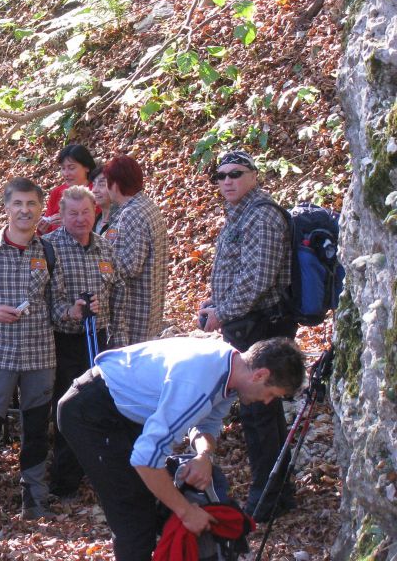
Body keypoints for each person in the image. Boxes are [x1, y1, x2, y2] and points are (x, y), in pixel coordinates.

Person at [57, 336, 305, 560]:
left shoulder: (231, 373)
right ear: (259, 375)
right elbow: (145, 458)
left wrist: (204, 455)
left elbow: (207, 423)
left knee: (151, 501)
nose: (267, 401)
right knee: (133, 514)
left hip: (123, 411)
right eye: (271, 393)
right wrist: (186, 512)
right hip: (90, 411)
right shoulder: (198, 381)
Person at [0, 178, 84, 522]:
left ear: (42, 209)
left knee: (37, 431)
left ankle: (34, 500)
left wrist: (72, 312)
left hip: (40, 356)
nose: (25, 211)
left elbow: (56, 308)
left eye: (32, 205)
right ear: (7, 208)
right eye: (18, 204)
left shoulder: (49, 252)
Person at [198, 150, 296, 521]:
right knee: (264, 412)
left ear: (254, 176)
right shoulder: (239, 215)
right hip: (247, 323)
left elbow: (258, 279)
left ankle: (265, 496)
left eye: (235, 174)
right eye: (219, 175)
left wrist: (222, 311)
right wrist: (215, 303)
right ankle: (278, 490)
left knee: (258, 409)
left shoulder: (263, 216)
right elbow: (237, 273)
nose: (226, 181)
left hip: (265, 326)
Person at [44, 186, 120, 497]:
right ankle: (65, 482)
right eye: (73, 213)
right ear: (61, 215)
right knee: (67, 407)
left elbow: (115, 292)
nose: (80, 219)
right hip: (63, 340)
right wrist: (71, 311)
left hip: (99, 338)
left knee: (99, 406)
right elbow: (48, 301)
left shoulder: (104, 247)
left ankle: (98, 472)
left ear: (96, 212)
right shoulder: (50, 247)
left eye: (86, 212)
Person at [102, 154, 168, 346]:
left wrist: (98, 262)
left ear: (114, 185)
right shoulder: (148, 206)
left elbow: (130, 267)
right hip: (152, 306)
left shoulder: (132, 214)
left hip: (135, 312)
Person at [39, 144, 96, 234]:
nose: (66, 173)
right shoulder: (57, 193)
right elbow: (47, 231)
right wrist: (43, 229)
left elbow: (100, 226)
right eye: (63, 168)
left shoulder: (97, 192)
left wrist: (70, 224)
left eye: (71, 168)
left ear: (87, 167)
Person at [89, 166, 115, 235]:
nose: (94, 190)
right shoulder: (95, 221)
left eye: (101, 184)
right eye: (94, 184)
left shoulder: (120, 220)